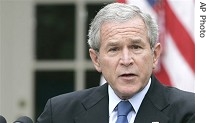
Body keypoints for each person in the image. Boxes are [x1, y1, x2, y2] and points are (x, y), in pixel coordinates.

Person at [37, 2, 195, 123]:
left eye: (136, 47)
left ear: (155, 55)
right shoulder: (60, 112)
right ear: (96, 59)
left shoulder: (193, 111)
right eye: (114, 49)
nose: (126, 60)